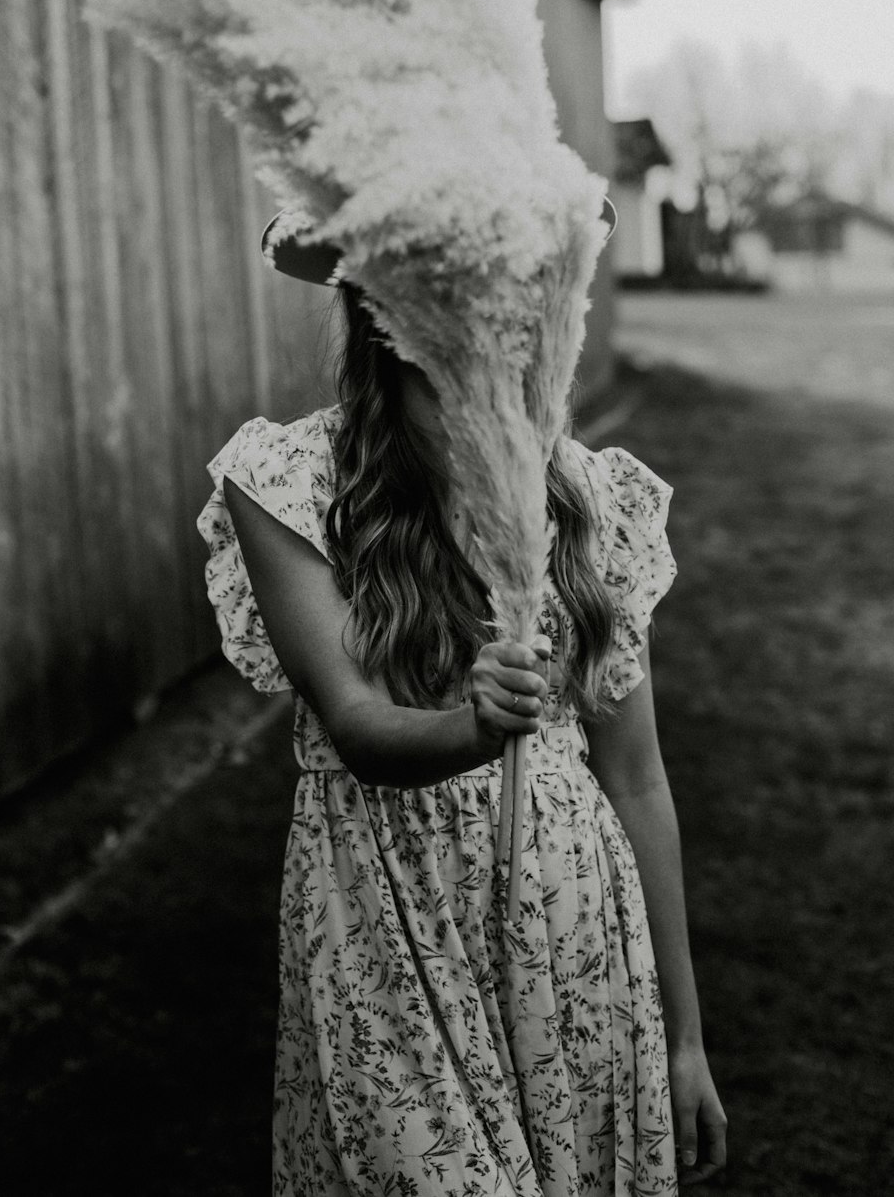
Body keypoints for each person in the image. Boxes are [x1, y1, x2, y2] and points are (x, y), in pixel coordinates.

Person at [196, 226, 727, 1197]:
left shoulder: (588, 495)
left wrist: (686, 1040)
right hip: (383, 924)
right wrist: (471, 731)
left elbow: (639, 780)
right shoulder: (288, 486)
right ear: (377, 315)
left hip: (571, 916)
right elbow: (356, 726)